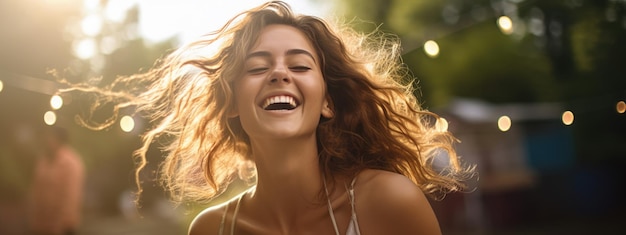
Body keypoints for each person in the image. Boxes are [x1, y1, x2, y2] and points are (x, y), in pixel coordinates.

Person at [63, 1, 474, 234]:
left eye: (299, 65)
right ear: (233, 104)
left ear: (328, 102)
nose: (279, 73)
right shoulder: (210, 231)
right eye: (257, 67)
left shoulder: (386, 202)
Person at [29, 126, 84, 235]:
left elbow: (71, 197)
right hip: (42, 226)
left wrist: (60, 225)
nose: (46, 140)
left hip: (64, 227)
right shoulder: (43, 161)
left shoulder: (71, 163)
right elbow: (37, 192)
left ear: (58, 139)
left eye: (49, 137)